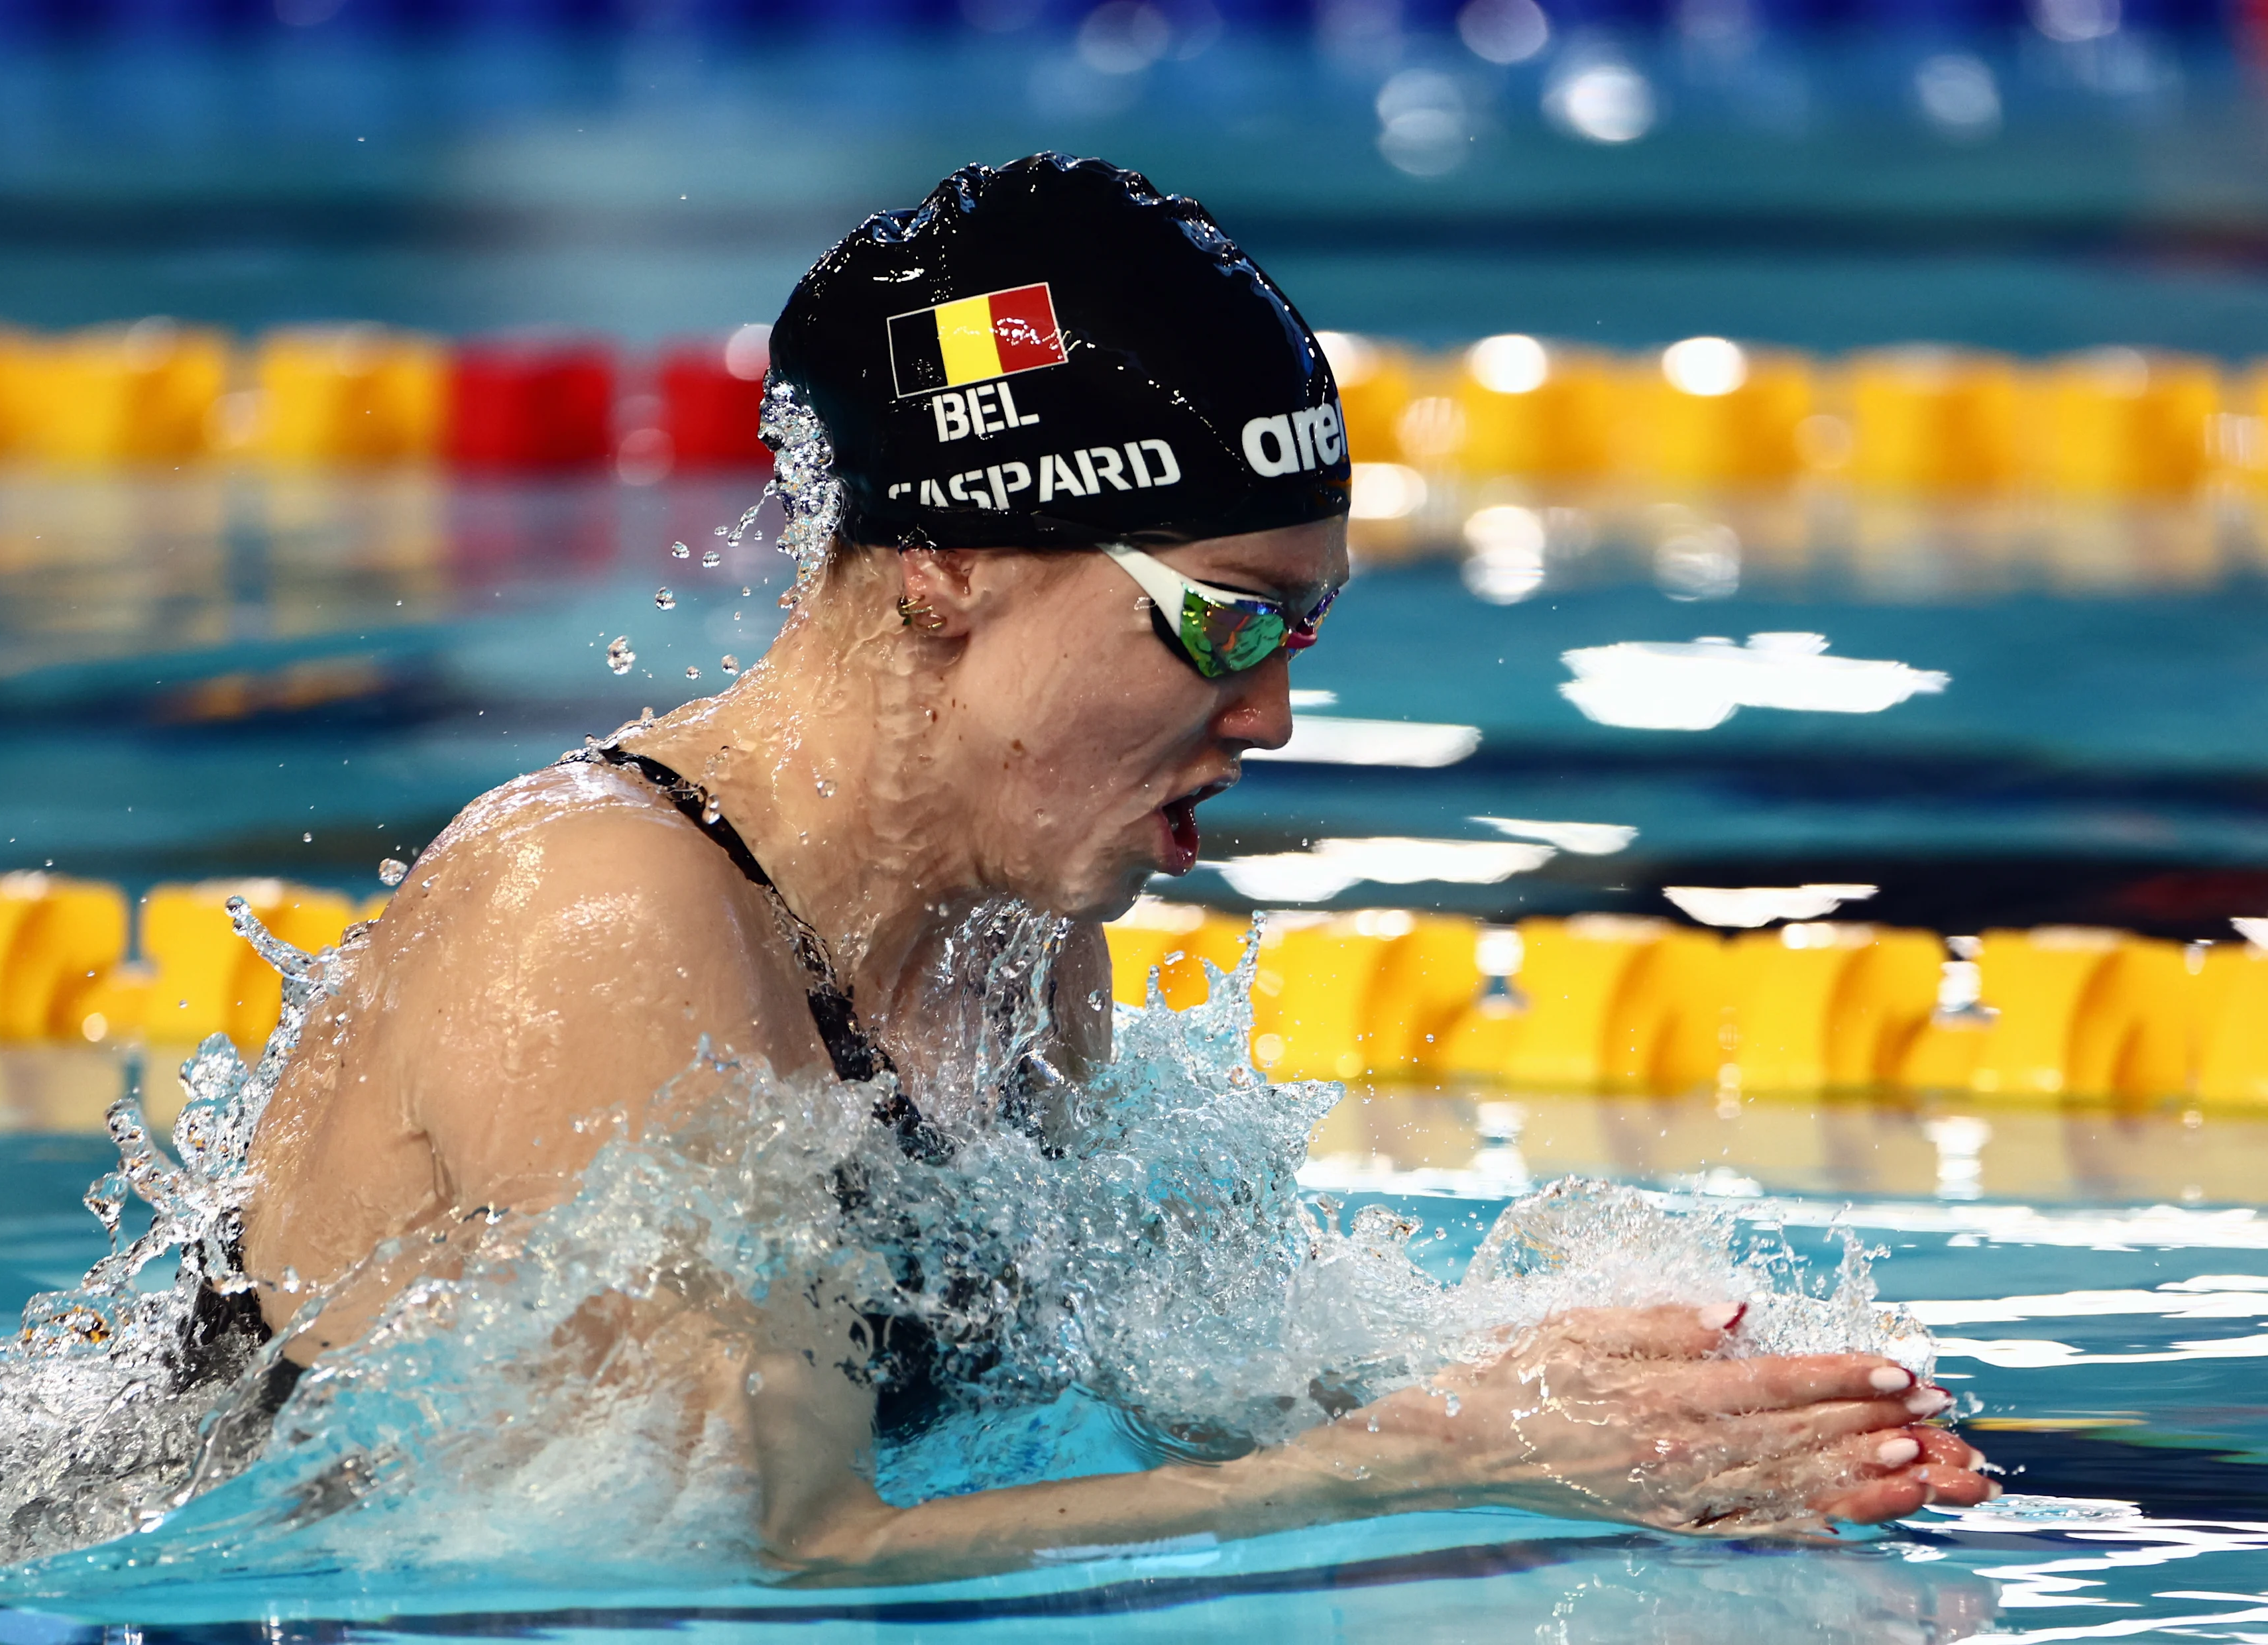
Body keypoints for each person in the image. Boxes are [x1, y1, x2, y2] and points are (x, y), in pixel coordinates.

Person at [235, 154, 1992, 1583]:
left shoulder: (1011, 917)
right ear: (943, 567)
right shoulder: (608, 912)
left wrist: (1568, 1408)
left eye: (1302, 629)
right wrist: (1404, 1469)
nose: (1277, 715)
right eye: (1224, 622)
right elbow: (741, 1559)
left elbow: (1129, 1380)